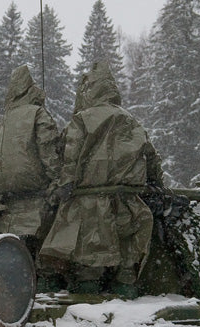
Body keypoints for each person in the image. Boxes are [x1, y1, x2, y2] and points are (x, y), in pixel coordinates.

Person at [37, 61, 163, 295]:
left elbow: (71, 156)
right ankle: (126, 294)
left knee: (89, 261)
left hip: (90, 201)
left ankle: (88, 306)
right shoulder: (131, 120)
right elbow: (151, 156)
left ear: (90, 91)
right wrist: (157, 185)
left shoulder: (83, 119)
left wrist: (64, 186)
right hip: (128, 201)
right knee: (127, 257)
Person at [0, 65, 61, 259]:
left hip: (5, 199)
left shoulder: (4, 119)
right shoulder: (38, 114)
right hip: (36, 194)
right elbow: (49, 151)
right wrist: (59, 179)